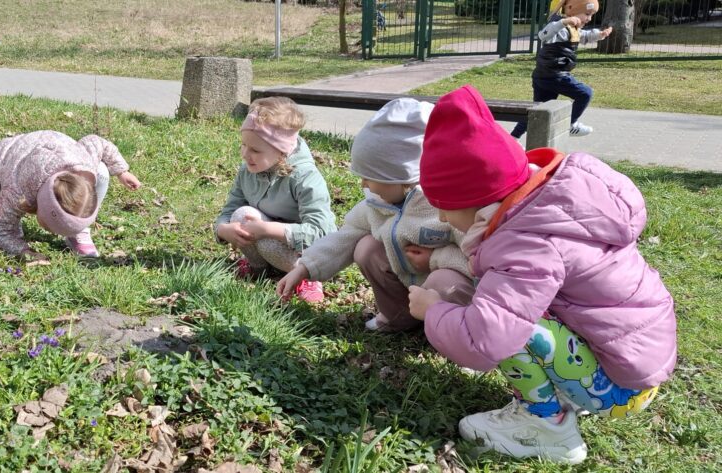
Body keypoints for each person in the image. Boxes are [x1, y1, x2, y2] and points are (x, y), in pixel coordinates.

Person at [409, 85, 676, 464]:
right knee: (505, 307)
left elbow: (485, 340)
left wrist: (432, 309)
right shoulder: (551, 203)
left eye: (445, 206)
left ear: (475, 201)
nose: (441, 218)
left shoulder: (525, 243)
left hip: (621, 389)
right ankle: (565, 394)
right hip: (634, 364)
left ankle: (547, 428)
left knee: (507, 327)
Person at [277, 98, 473, 330]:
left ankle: (452, 332)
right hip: (409, 290)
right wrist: (304, 267)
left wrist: (434, 259)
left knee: (445, 282)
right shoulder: (377, 203)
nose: (364, 185)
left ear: (400, 177)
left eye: (370, 177)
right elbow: (345, 236)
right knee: (366, 247)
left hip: (449, 296)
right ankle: (399, 317)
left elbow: (477, 258)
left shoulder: (445, 207)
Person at [214, 97, 336, 303]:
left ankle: (308, 277)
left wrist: (268, 230)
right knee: (242, 215)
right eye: (243, 145)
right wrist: (223, 230)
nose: (245, 154)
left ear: (281, 152)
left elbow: (322, 233)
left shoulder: (305, 177)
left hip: (307, 253)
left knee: (263, 235)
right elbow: (231, 208)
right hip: (268, 239)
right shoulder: (248, 171)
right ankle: (259, 267)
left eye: (255, 150)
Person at [0, 130, 141, 260]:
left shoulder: (86, 163)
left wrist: (122, 171)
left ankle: (78, 231)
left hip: (62, 151)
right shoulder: (18, 189)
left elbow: (97, 142)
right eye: (50, 228)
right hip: (7, 154)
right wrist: (24, 251)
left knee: (101, 171)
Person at [510, 0, 612, 138]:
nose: (589, 19)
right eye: (587, 14)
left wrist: (600, 35)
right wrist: (562, 23)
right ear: (571, 9)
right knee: (585, 93)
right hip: (554, 75)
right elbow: (543, 35)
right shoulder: (559, 26)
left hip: (544, 75)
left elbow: (584, 36)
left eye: (592, 15)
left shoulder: (573, 28)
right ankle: (570, 124)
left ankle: (513, 138)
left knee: (537, 111)